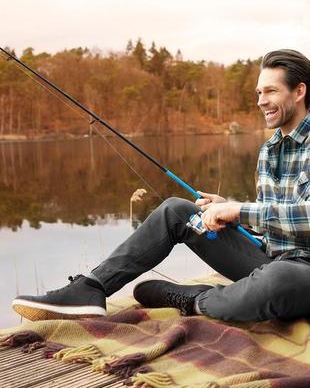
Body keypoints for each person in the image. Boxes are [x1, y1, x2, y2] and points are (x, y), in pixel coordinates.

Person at [12, 49, 310, 322]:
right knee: (176, 210)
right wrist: (226, 206)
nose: (260, 101)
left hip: (299, 273)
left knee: (279, 280)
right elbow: (273, 220)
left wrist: (238, 211)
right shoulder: (269, 150)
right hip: (267, 258)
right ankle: (90, 288)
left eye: (270, 91)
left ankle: (195, 299)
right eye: (259, 92)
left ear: (299, 91)